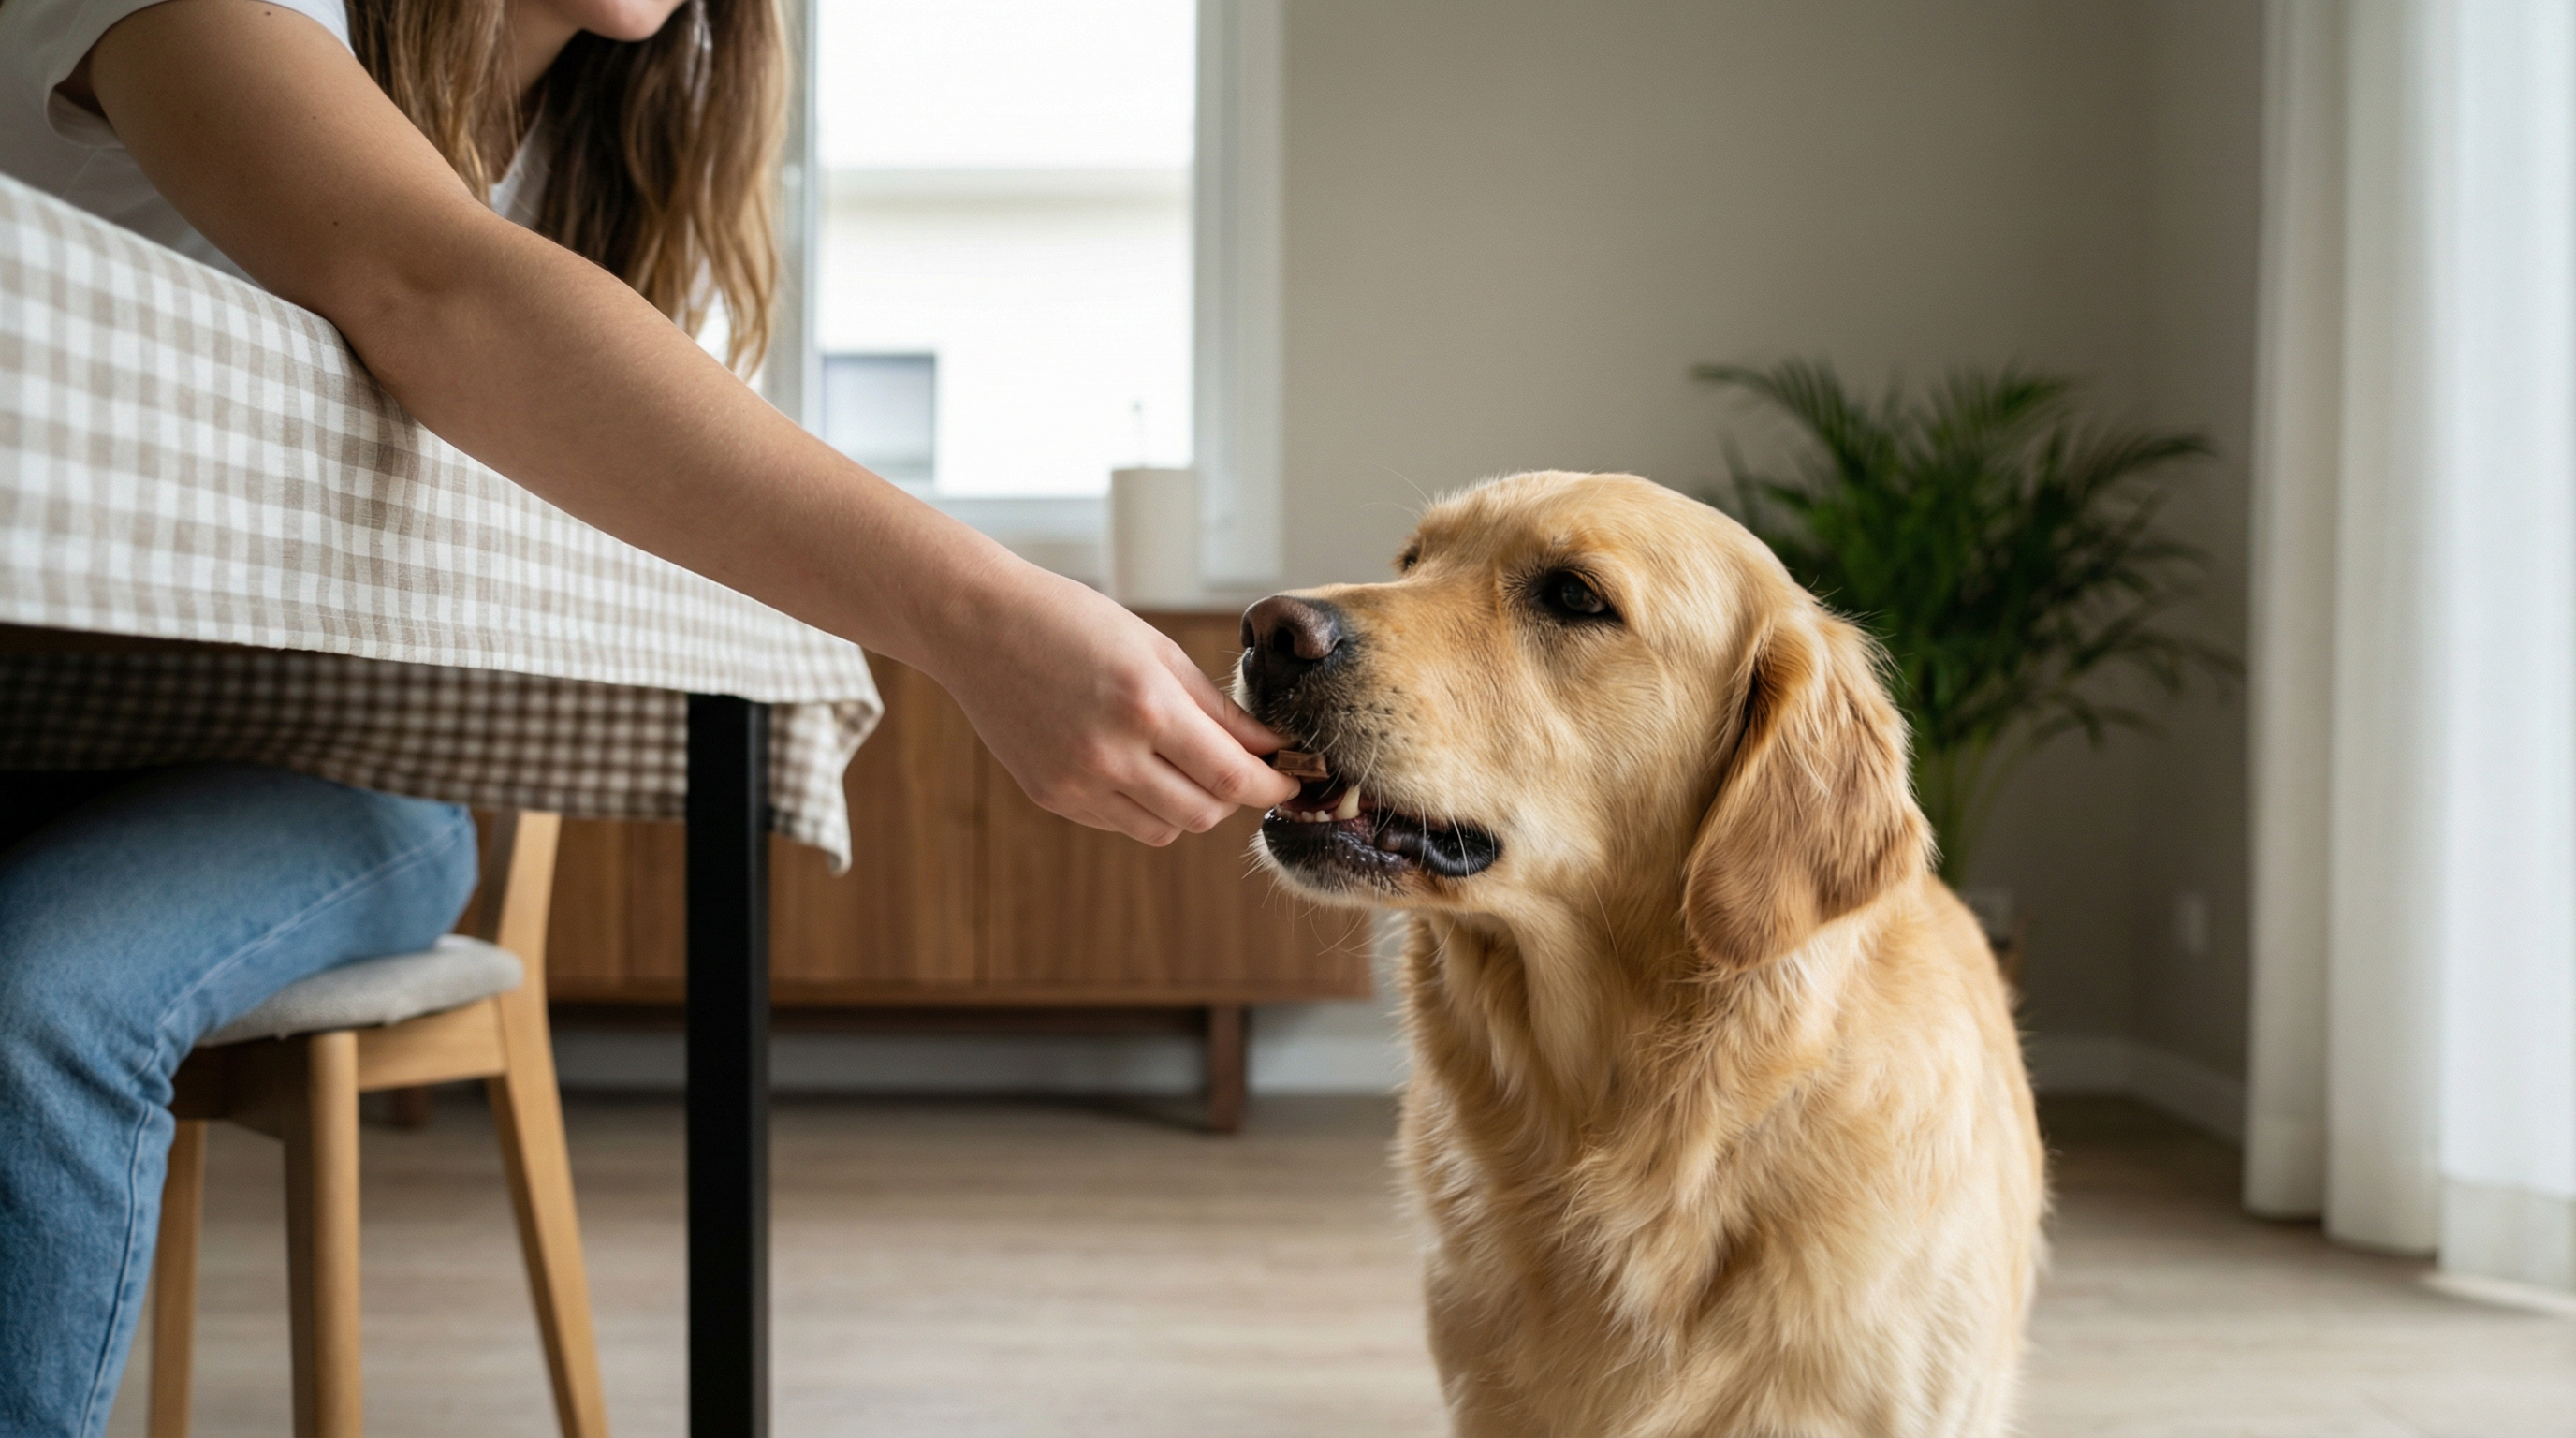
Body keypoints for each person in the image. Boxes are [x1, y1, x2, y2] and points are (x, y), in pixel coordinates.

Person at [0, 0, 1299, 1430]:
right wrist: (984, 617)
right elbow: (435, 284)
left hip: (334, 773)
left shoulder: (614, 168)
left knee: (33, 995)